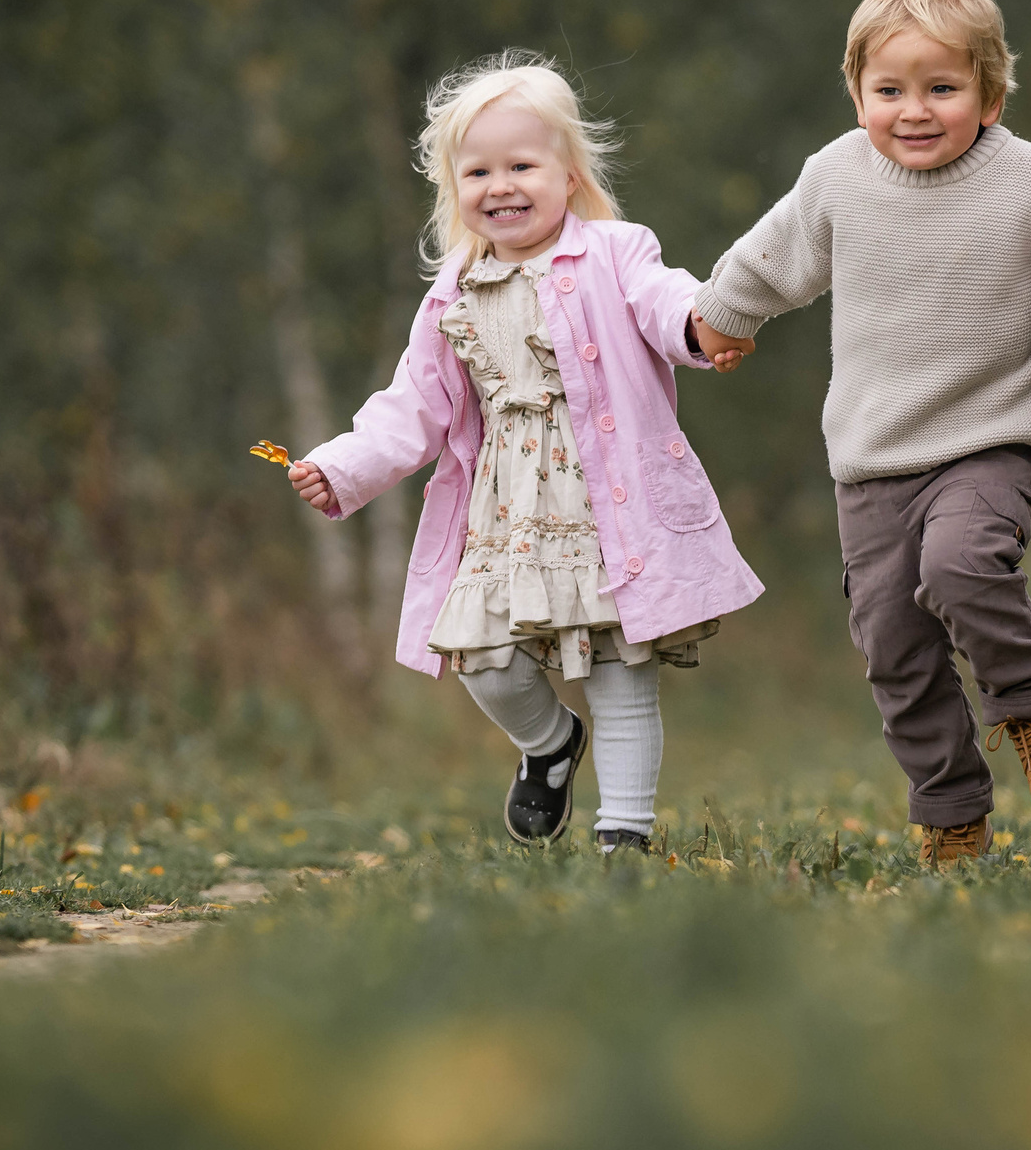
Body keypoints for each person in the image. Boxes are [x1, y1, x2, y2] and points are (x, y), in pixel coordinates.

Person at [691, 0, 1031, 866]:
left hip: (991, 437)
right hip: (872, 458)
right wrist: (721, 316)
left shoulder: (1029, 179)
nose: (915, 110)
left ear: (990, 95)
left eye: (942, 88)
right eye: (890, 90)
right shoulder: (837, 176)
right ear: (858, 94)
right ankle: (949, 813)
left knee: (960, 566)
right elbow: (770, 256)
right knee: (893, 644)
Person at [289, 54, 762, 854]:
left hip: (608, 506)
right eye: (478, 171)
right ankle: (549, 741)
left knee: (619, 670)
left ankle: (624, 840)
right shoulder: (453, 292)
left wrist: (701, 324)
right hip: (504, 515)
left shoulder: (616, 251)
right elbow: (414, 403)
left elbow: (665, 301)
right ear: (454, 188)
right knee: (483, 656)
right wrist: (344, 465)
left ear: (569, 175)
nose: (500, 185)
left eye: (521, 165)